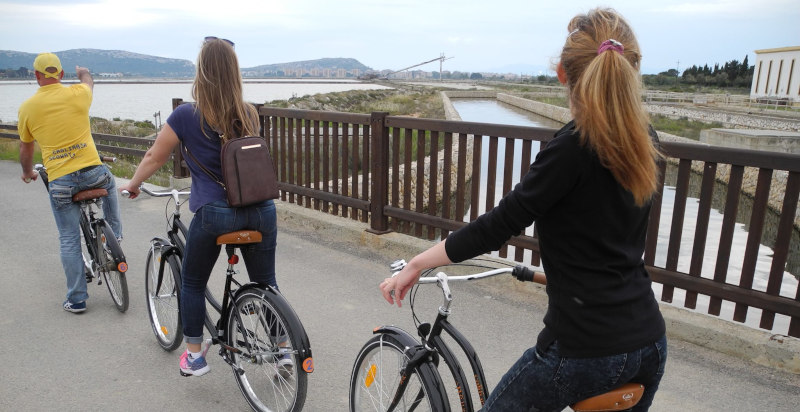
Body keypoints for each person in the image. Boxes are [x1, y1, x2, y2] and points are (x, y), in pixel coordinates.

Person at [380, 8, 667, 411]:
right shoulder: (645, 140)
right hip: (648, 343)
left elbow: (498, 225)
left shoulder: (572, 149)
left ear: (562, 74)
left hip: (585, 348)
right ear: (632, 68)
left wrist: (417, 263)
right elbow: (610, 238)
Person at [119, 37, 281, 378]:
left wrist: (133, 184)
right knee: (266, 282)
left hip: (215, 213)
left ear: (201, 72)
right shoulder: (249, 113)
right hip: (262, 210)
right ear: (235, 71)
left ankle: (194, 357)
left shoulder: (186, 115)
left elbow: (155, 156)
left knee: (192, 282)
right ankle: (283, 350)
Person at [18, 53, 123, 314]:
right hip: (93, 173)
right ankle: (114, 237)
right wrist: (83, 72)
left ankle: (76, 299)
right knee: (110, 183)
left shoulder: (27, 108)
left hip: (61, 181)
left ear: (36, 75)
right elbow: (89, 81)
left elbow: (26, 149)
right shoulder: (78, 93)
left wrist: (28, 172)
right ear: (61, 74)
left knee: (68, 238)